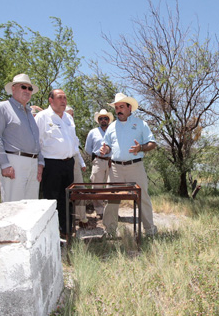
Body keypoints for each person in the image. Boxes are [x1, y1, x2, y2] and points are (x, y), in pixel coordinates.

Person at [100, 93, 158, 236]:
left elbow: (152, 143)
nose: (118, 110)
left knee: (143, 197)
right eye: (116, 107)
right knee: (111, 198)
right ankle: (110, 231)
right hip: (115, 169)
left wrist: (141, 148)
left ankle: (150, 230)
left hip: (135, 167)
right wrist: (105, 149)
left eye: (121, 107)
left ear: (129, 108)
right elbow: (107, 145)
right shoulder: (112, 127)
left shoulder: (140, 124)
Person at [0, 74, 41, 202]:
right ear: (13, 88)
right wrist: (4, 164)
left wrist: (40, 163)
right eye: (24, 87)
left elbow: (36, 141)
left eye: (30, 89)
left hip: (33, 163)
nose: (27, 91)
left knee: (32, 206)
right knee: (14, 204)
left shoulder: (29, 113)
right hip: (14, 161)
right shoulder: (2, 108)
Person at [35, 89, 80, 236]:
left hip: (68, 164)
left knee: (68, 198)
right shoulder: (42, 117)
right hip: (51, 165)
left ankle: (67, 231)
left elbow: (73, 140)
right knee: (51, 199)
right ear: (51, 100)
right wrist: (39, 164)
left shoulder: (68, 118)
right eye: (60, 98)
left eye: (65, 98)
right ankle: (51, 233)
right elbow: (37, 143)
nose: (63, 101)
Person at [66, 105, 92, 229]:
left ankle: (82, 218)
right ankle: (67, 221)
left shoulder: (72, 129)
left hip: (74, 161)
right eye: (68, 114)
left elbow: (76, 150)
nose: (71, 116)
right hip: (59, 162)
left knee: (79, 189)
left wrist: (82, 163)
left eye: (72, 114)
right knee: (65, 192)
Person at [85, 109, 114, 219]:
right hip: (98, 161)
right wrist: (96, 156)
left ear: (109, 120)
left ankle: (110, 211)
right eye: (101, 118)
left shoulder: (113, 131)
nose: (103, 120)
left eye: (105, 118)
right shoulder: (93, 132)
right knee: (96, 186)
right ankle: (99, 211)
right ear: (98, 120)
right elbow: (88, 148)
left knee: (111, 186)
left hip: (111, 161)